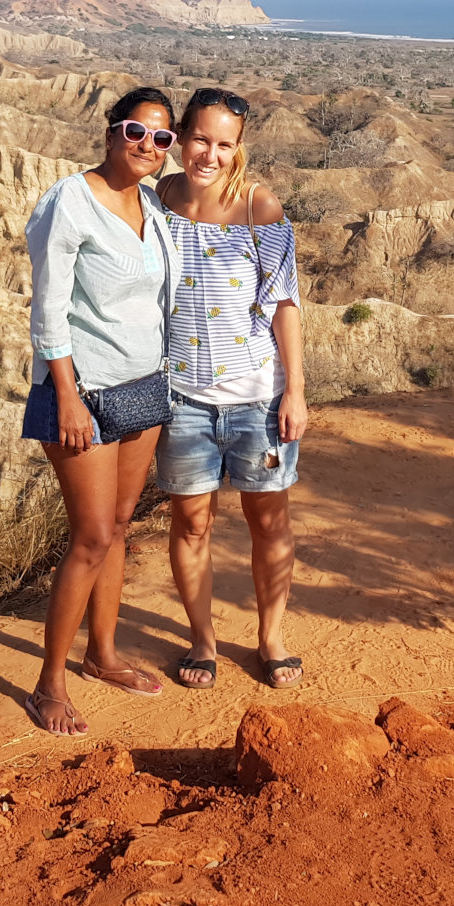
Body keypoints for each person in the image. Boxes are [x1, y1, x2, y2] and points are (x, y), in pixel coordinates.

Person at [20, 87, 181, 735]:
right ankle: (48, 684)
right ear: (112, 132)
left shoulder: (152, 204)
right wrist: (65, 394)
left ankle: (103, 655)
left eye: (161, 137)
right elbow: (49, 306)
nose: (147, 145)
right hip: (82, 391)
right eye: (135, 131)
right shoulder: (71, 200)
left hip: (143, 385)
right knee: (89, 537)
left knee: (117, 526)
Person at [154, 87, 308, 690]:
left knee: (268, 521)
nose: (210, 155)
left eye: (224, 144)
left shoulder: (258, 208)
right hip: (182, 399)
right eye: (200, 139)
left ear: (238, 148)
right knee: (191, 523)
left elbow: (284, 303)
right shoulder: (159, 198)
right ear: (180, 138)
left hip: (257, 399)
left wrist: (295, 391)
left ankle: (271, 639)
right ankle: (203, 641)